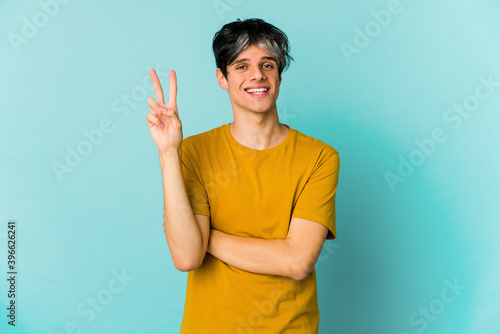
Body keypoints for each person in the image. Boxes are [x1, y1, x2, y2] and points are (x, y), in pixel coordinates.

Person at [146, 18, 340, 334]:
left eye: (268, 65)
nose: (257, 76)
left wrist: (203, 235)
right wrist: (169, 152)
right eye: (241, 66)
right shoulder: (195, 151)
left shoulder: (319, 158)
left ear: (279, 74)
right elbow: (186, 257)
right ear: (222, 78)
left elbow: (297, 261)